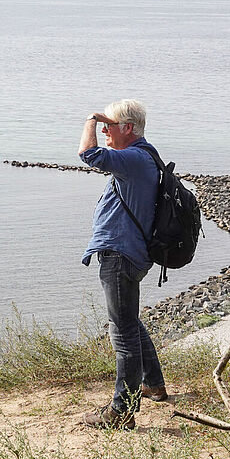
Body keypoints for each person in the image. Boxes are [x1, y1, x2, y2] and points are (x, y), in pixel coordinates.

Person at [76, 99, 167, 430]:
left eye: (108, 125)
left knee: (123, 331)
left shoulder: (133, 158)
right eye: (101, 124)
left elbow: (88, 154)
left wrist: (88, 119)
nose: (103, 129)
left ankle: (122, 411)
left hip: (120, 254)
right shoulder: (145, 155)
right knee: (129, 321)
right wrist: (105, 121)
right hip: (130, 252)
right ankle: (153, 384)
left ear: (128, 128)